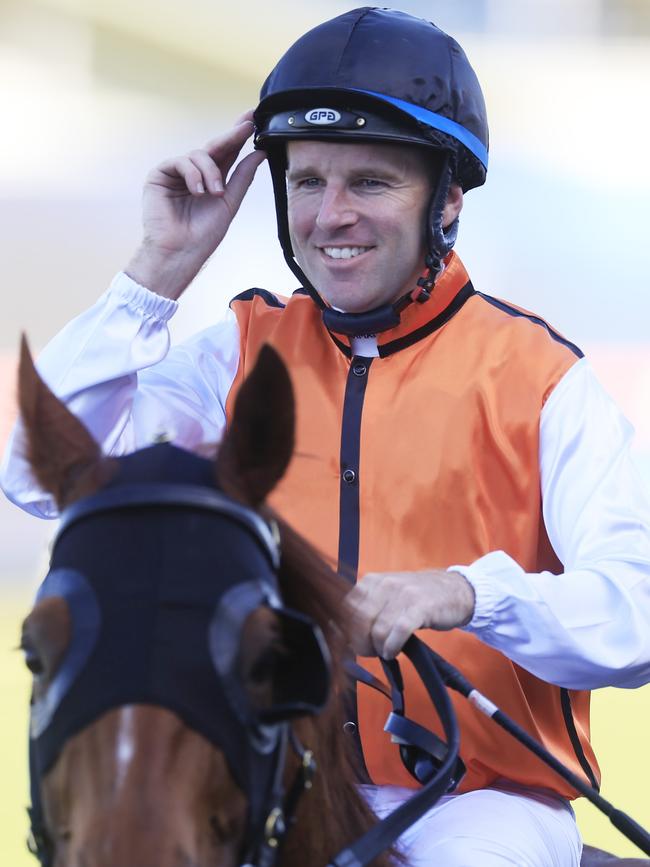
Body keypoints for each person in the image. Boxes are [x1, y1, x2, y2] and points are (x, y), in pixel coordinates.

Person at [3, 7, 650, 866]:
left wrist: (462, 593)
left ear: (448, 200)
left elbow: (636, 614)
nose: (329, 215)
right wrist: (160, 267)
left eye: (370, 182)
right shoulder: (237, 349)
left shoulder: (541, 378)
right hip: (274, 779)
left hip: (477, 806)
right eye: (307, 182)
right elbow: (43, 477)